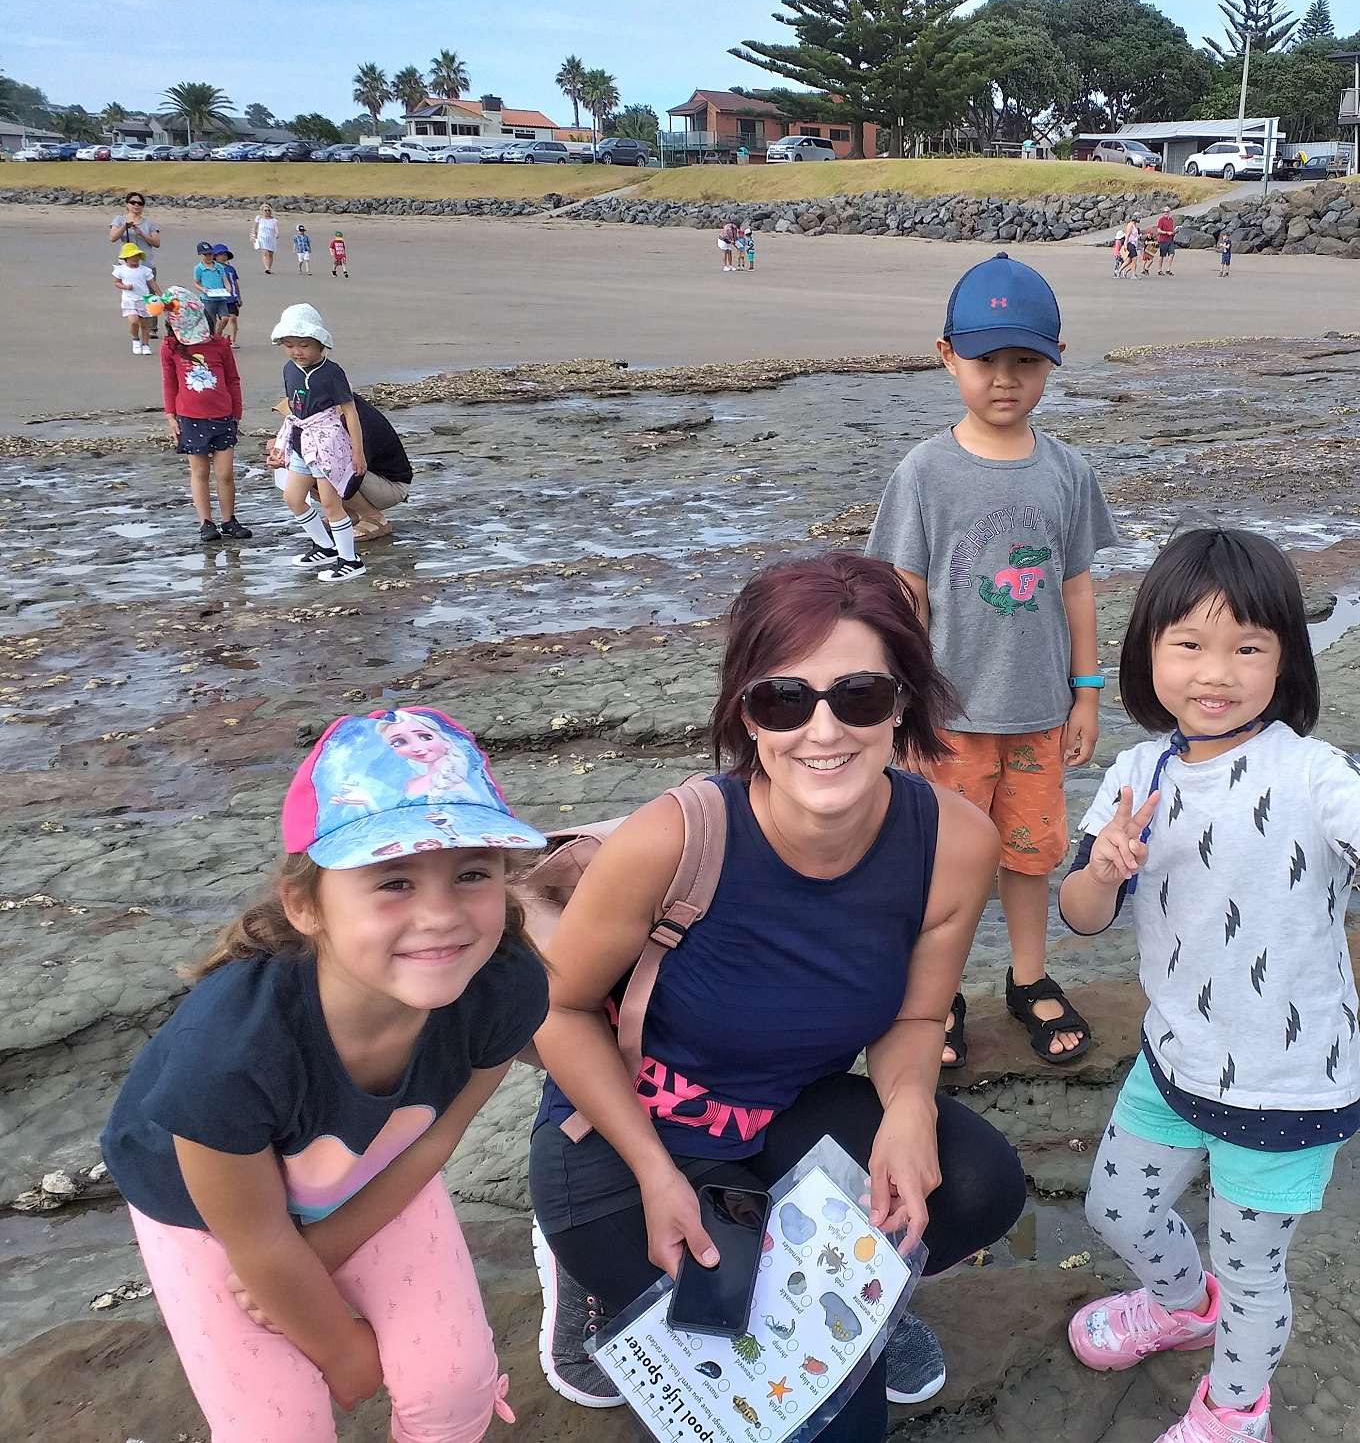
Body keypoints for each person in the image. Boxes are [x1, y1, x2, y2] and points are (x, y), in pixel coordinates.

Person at [529, 552, 1025, 1439]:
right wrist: (653, 1173)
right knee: (813, 1413)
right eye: (784, 699)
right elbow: (557, 1010)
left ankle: (856, 1299)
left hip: (785, 1110)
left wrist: (909, 1108)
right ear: (746, 712)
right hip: (629, 1136)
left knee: (978, 1184)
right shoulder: (671, 841)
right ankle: (591, 1280)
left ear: (903, 701)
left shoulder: (952, 843)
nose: (823, 730)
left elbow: (917, 1016)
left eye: (860, 696)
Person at [1059, 527, 1360, 1443]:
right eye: (1189, 644)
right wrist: (1104, 869)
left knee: (1251, 1272)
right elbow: (1081, 915)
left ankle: (1236, 1411)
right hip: (1173, 1060)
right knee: (1116, 1209)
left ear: (1285, 661)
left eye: (1248, 648)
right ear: (1147, 652)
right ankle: (1179, 1306)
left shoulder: (1312, 774)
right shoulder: (1136, 774)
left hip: (1286, 1085)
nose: (1217, 673)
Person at [97, 706, 550, 1442]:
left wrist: (327, 1248)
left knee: (453, 1384)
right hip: (206, 1216)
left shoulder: (505, 987)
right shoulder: (229, 1054)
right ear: (306, 906)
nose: (441, 915)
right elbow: (257, 1243)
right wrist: (343, 1351)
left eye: (472, 874)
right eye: (393, 882)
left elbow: (436, 1141)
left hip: (371, 1172)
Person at [867, 252, 1118, 1069]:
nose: (1005, 380)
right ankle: (937, 992)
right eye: (985, 361)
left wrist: (1088, 693)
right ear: (948, 357)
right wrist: (898, 705)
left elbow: (1075, 589)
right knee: (943, 863)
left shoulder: (1068, 471)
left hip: (1039, 713)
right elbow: (904, 598)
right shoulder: (923, 473)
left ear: (1054, 361)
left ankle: (1029, 976)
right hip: (947, 718)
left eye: (1025, 363)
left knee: (1031, 854)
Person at [271, 303, 368, 582]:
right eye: (289, 345)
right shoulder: (289, 370)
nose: (297, 352)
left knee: (330, 502)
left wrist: (357, 452)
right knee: (292, 497)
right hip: (302, 440)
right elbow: (293, 407)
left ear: (320, 343)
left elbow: (350, 411)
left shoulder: (331, 372)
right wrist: (282, 444)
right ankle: (325, 546)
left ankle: (350, 560)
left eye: (304, 345)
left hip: (327, 442)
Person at [158, 287, 249, 543]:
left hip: (223, 416)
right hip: (190, 417)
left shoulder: (219, 345)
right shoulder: (171, 348)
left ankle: (229, 520)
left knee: (225, 473)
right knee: (199, 472)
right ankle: (206, 522)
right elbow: (169, 383)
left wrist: (237, 412)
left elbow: (233, 380)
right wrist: (171, 416)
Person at [268, 394, 414, 543]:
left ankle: (372, 517)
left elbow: (355, 465)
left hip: (390, 486)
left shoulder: (356, 420)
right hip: (369, 480)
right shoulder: (328, 419)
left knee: (322, 465)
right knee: (302, 466)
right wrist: (283, 450)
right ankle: (348, 513)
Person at [109, 192, 163, 341]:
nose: (136, 205)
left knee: (150, 295)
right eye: (133, 202)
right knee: (132, 294)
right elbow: (112, 237)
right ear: (127, 204)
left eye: (139, 203)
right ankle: (136, 324)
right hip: (127, 266)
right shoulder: (119, 219)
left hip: (146, 264)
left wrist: (141, 233)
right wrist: (124, 227)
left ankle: (152, 327)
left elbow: (156, 243)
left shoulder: (149, 223)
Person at [113, 242, 160, 355]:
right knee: (134, 321)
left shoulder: (145, 270)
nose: (135, 258)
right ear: (126, 258)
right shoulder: (120, 270)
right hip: (129, 300)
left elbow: (153, 284)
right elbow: (117, 283)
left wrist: (160, 295)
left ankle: (145, 345)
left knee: (145, 325)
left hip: (143, 299)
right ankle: (135, 339)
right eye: (132, 256)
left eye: (137, 256)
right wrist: (125, 287)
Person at [192, 241, 231, 332]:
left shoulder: (219, 267)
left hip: (221, 297)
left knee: (225, 318)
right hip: (208, 299)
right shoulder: (198, 268)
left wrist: (228, 287)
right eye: (206, 255)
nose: (208, 257)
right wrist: (203, 289)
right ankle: (213, 335)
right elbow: (196, 283)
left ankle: (218, 332)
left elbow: (224, 279)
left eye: (210, 254)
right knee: (211, 320)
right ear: (201, 255)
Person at [212, 243, 243, 340]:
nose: (223, 257)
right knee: (223, 319)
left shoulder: (231, 269)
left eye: (225, 254)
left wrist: (238, 297)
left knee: (233, 318)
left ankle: (233, 340)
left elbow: (235, 283)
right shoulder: (213, 269)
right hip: (220, 297)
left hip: (232, 298)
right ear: (215, 257)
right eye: (220, 254)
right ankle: (218, 334)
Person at [253, 203, 280, 275]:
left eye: (268, 210)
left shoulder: (274, 220)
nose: (267, 212)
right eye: (265, 210)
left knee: (270, 254)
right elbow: (254, 227)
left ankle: (269, 268)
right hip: (262, 238)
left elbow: (276, 229)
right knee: (265, 252)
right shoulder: (259, 218)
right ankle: (267, 268)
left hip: (271, 238)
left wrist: (277, 234)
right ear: (262, 211)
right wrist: (253, 236)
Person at [1156, 208, 1178, 275]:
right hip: (1163, 240)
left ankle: (1168, 269)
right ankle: (1159, 270)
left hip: (1170, 240)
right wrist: (1166, 232)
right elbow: (1158, 230)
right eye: (1164, 212)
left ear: (1169, 212)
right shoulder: (1161, 220)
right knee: (1162, 255)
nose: (1165, 213)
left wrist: (1174, 232)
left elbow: (1171, 229)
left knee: (1172, 254)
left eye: (1167, 212)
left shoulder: (1171, 220)